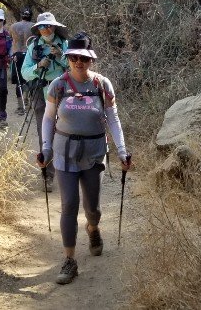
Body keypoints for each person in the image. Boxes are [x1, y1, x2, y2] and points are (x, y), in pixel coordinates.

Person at [36, 32, 132, 285]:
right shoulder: (58, 86)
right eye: (74, 58)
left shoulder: (102, 84)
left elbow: (113, 118)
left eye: (84, 58)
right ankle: (69, 260)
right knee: (69, 205)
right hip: (64, 152)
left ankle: (93, 228)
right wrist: (46, 148)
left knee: (93, 208)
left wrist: (122, 150)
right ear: (68, 58)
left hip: (94, 152)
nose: (79, 62)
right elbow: (48, 118)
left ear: (91, 60)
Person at [20, 12, 69, 187]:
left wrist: (61, 56)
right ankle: (48, 175)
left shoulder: (65, 44)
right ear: (38, 29)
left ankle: (66, 171)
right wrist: (38, 66)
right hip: (41, 92)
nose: (46, 29)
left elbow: (75, 69)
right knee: (45, 134)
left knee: (65, 132)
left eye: (48, 26)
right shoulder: (34, 46)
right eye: (42, 26)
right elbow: (24, 73)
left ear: (54, 27)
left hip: (63, 93)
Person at [9, 8, 34, 116]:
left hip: (17, 55)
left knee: (19, 81)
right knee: (29, 78)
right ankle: (27, 100)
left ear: (21, 15)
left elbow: (11, 40)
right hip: (29, 54)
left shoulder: (13, 26)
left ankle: (20, 106)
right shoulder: (34, 27)